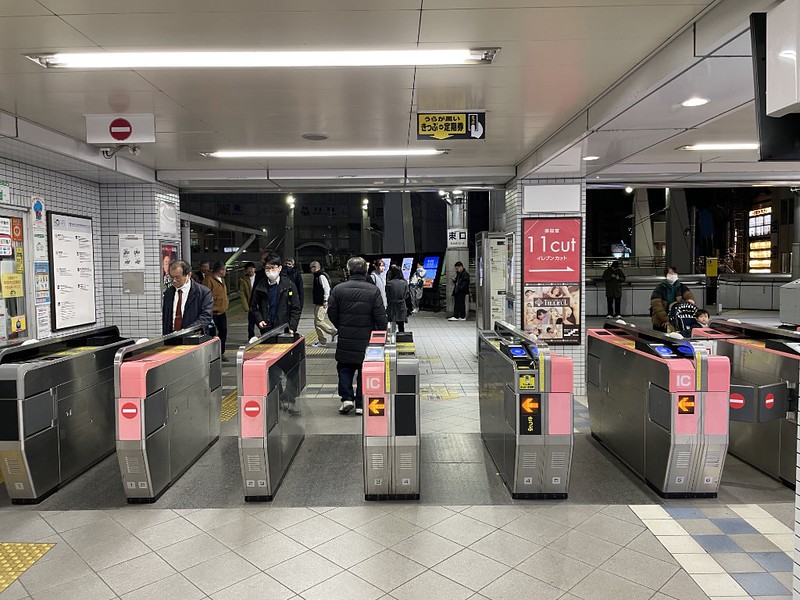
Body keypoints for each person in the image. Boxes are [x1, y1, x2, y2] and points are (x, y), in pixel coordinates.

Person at [327, 256, 387, 416]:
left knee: (344, 367)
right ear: (365, 270)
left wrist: (341, 325)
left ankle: (347, 399)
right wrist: (381, 335)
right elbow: (381, 316)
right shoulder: (373, 290)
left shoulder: (338, 289)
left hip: (345, 337)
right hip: (366, 339)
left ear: (349, 270)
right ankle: (360, 403)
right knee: (363, 369)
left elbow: (331, 312)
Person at [250, 252, 302, 334]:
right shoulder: (260, 287)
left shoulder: (289, 285)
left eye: (273, 268)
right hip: (266, 328)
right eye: (267, 268)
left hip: (284, 328)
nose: (270, 271)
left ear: (280, 268)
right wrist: (259, 320)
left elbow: (296, 308)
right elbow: (254, 307)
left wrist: (292, 326)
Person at [162, 260, 213, 335]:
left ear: (188, 275)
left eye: (177, 277)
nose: (174, 281)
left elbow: (206, 316)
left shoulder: (203, 292)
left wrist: (186, 332)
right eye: (171, 277)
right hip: (171, 337)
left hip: (193, 337)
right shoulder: (169, 293)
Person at [650, 266, 695, 332]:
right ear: (666, 275)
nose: (673, 275)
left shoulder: (680, 286)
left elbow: (687, 294)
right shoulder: (660, 288)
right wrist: (665, 319)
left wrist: (690, 299)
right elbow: (657, 306)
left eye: (674, 273)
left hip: (676, 317)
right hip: (661, 319)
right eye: (671, 273)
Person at [204, 261, 230, 361]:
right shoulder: (208, 280)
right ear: (220, 270)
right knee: (212, 334)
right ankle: (212, 355)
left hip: (222, 311)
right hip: (212, 313)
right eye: (224, 269)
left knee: (223, 332)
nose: (225, 272)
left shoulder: (222, 280)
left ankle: (221, 353)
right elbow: (206, 296)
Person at [310, 260, 337, 347]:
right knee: (316, 322)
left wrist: (326, 300)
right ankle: (322, 341)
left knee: (318, 322)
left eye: (311, 267)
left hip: (322, 302)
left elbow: (327, 289)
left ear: (315, 267)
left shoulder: (321, 276)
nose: (310, 269)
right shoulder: (317, 275)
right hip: (318, 302)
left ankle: (333, 332)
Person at [385, 266, 410, 332]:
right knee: (401, 326)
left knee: (391, 327)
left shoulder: (389, 283)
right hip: (401, 305)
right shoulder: (405, 283)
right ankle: (401, 340)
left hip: (392, 306)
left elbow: (387, 295)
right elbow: (407, 295)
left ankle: (391, 340)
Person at [238, 262, 257, 339]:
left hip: (259, 304)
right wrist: (246, 308)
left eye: (252, 268)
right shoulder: (243, 280)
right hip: (251, 305)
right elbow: (242, 294)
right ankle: (251, 338)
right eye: (248, 268)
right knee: (251, 324)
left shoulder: (259, 277)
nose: (250, 270)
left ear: (255, 269)